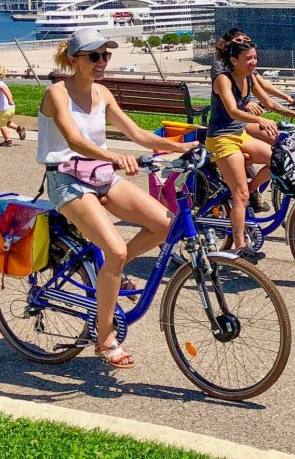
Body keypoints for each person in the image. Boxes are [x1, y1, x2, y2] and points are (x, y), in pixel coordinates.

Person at [38, 28, 195, 368]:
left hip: (99, 177)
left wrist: (181, 146)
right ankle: (104, 335)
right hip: (66, 181)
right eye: (94, 56)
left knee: (164, 225)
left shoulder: (103, 93)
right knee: (116, 249)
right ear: (74, 60)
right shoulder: (56, 94)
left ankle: (112, 271)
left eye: (105, 56)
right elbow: (75, 141)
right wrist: (113, 158)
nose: (101, 62)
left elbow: (136, 133)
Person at [207, 36, 295, 261]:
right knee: (238, 194)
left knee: (279, 159)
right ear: (233, 60)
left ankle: (251, 189)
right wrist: (258, 120)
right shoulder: (223, 79)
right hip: (221, 138)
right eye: (248, 58)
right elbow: (232, 111)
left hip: (239, 134)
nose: (253, 62)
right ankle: (240, 247)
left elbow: (269, 103)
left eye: (255, 57)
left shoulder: (249, 78)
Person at [0, 63, 26, 146]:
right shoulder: (2, 82)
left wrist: (9, 98)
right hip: (11, 108)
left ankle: (7, 140)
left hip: (3, 109)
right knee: (6, 122)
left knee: (2, 125)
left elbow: (4, 90)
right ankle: (18, 128)